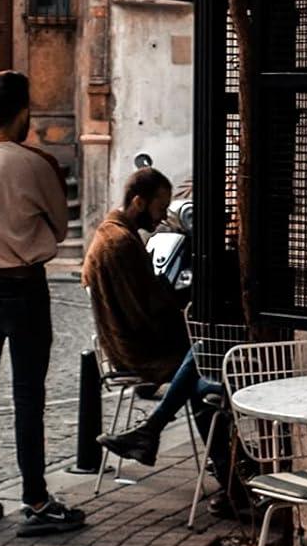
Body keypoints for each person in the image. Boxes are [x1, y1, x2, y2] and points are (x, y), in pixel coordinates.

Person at [0, 70, 84, 538]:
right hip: (23, 287)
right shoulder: (32, 164)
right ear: (24, 112)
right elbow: (59, 229)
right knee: (28, 396)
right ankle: (37, 500)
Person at [86, 167, 218, 468]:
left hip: (127, 339)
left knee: (200, 370)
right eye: (160, 208)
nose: (162, 217)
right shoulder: (121, 242)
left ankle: (152, 434)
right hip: (135, 348)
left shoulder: (113, 232)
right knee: (204, 353)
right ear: (139, 202)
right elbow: (146, 313)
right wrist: (181, 310)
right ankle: (219, 461)